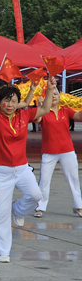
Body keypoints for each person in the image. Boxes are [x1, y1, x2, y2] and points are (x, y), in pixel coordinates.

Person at [0, 77, 55, 263]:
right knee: (1, 212)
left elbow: (45, 109)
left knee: (36, 195)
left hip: (21, 169)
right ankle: (3, 251)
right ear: (0, 102)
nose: (10, 104)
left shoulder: (23, 115)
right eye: (7, 100)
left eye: (14, 101)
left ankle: (19, 211)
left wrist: (50, 89)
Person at [33, 88, 82, 218]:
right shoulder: (43, 112)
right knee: (44, 180)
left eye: (55, 94)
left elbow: (79, 116)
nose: (53, 96)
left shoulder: (65, 110)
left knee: (74, 178)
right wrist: (40, 105)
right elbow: (37, 120)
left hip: (67, 150)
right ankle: (40, 206)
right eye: (50, 94)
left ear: (60, 97)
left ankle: (78, 205)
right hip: (49, 151)